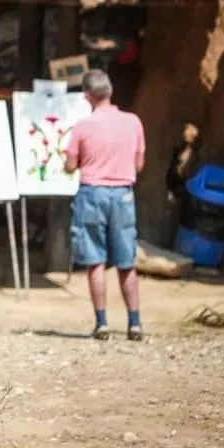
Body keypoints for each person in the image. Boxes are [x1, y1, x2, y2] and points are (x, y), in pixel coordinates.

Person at [64, 69, 146, 342]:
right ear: (109, 91)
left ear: (88, 95)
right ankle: (134, 323)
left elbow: (71, 165)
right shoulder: (133, 122)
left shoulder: (83, 126)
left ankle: (102, 324)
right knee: (126, 262)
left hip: (92, 193)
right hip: (123, 194)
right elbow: (139, 164)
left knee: (95, 260)